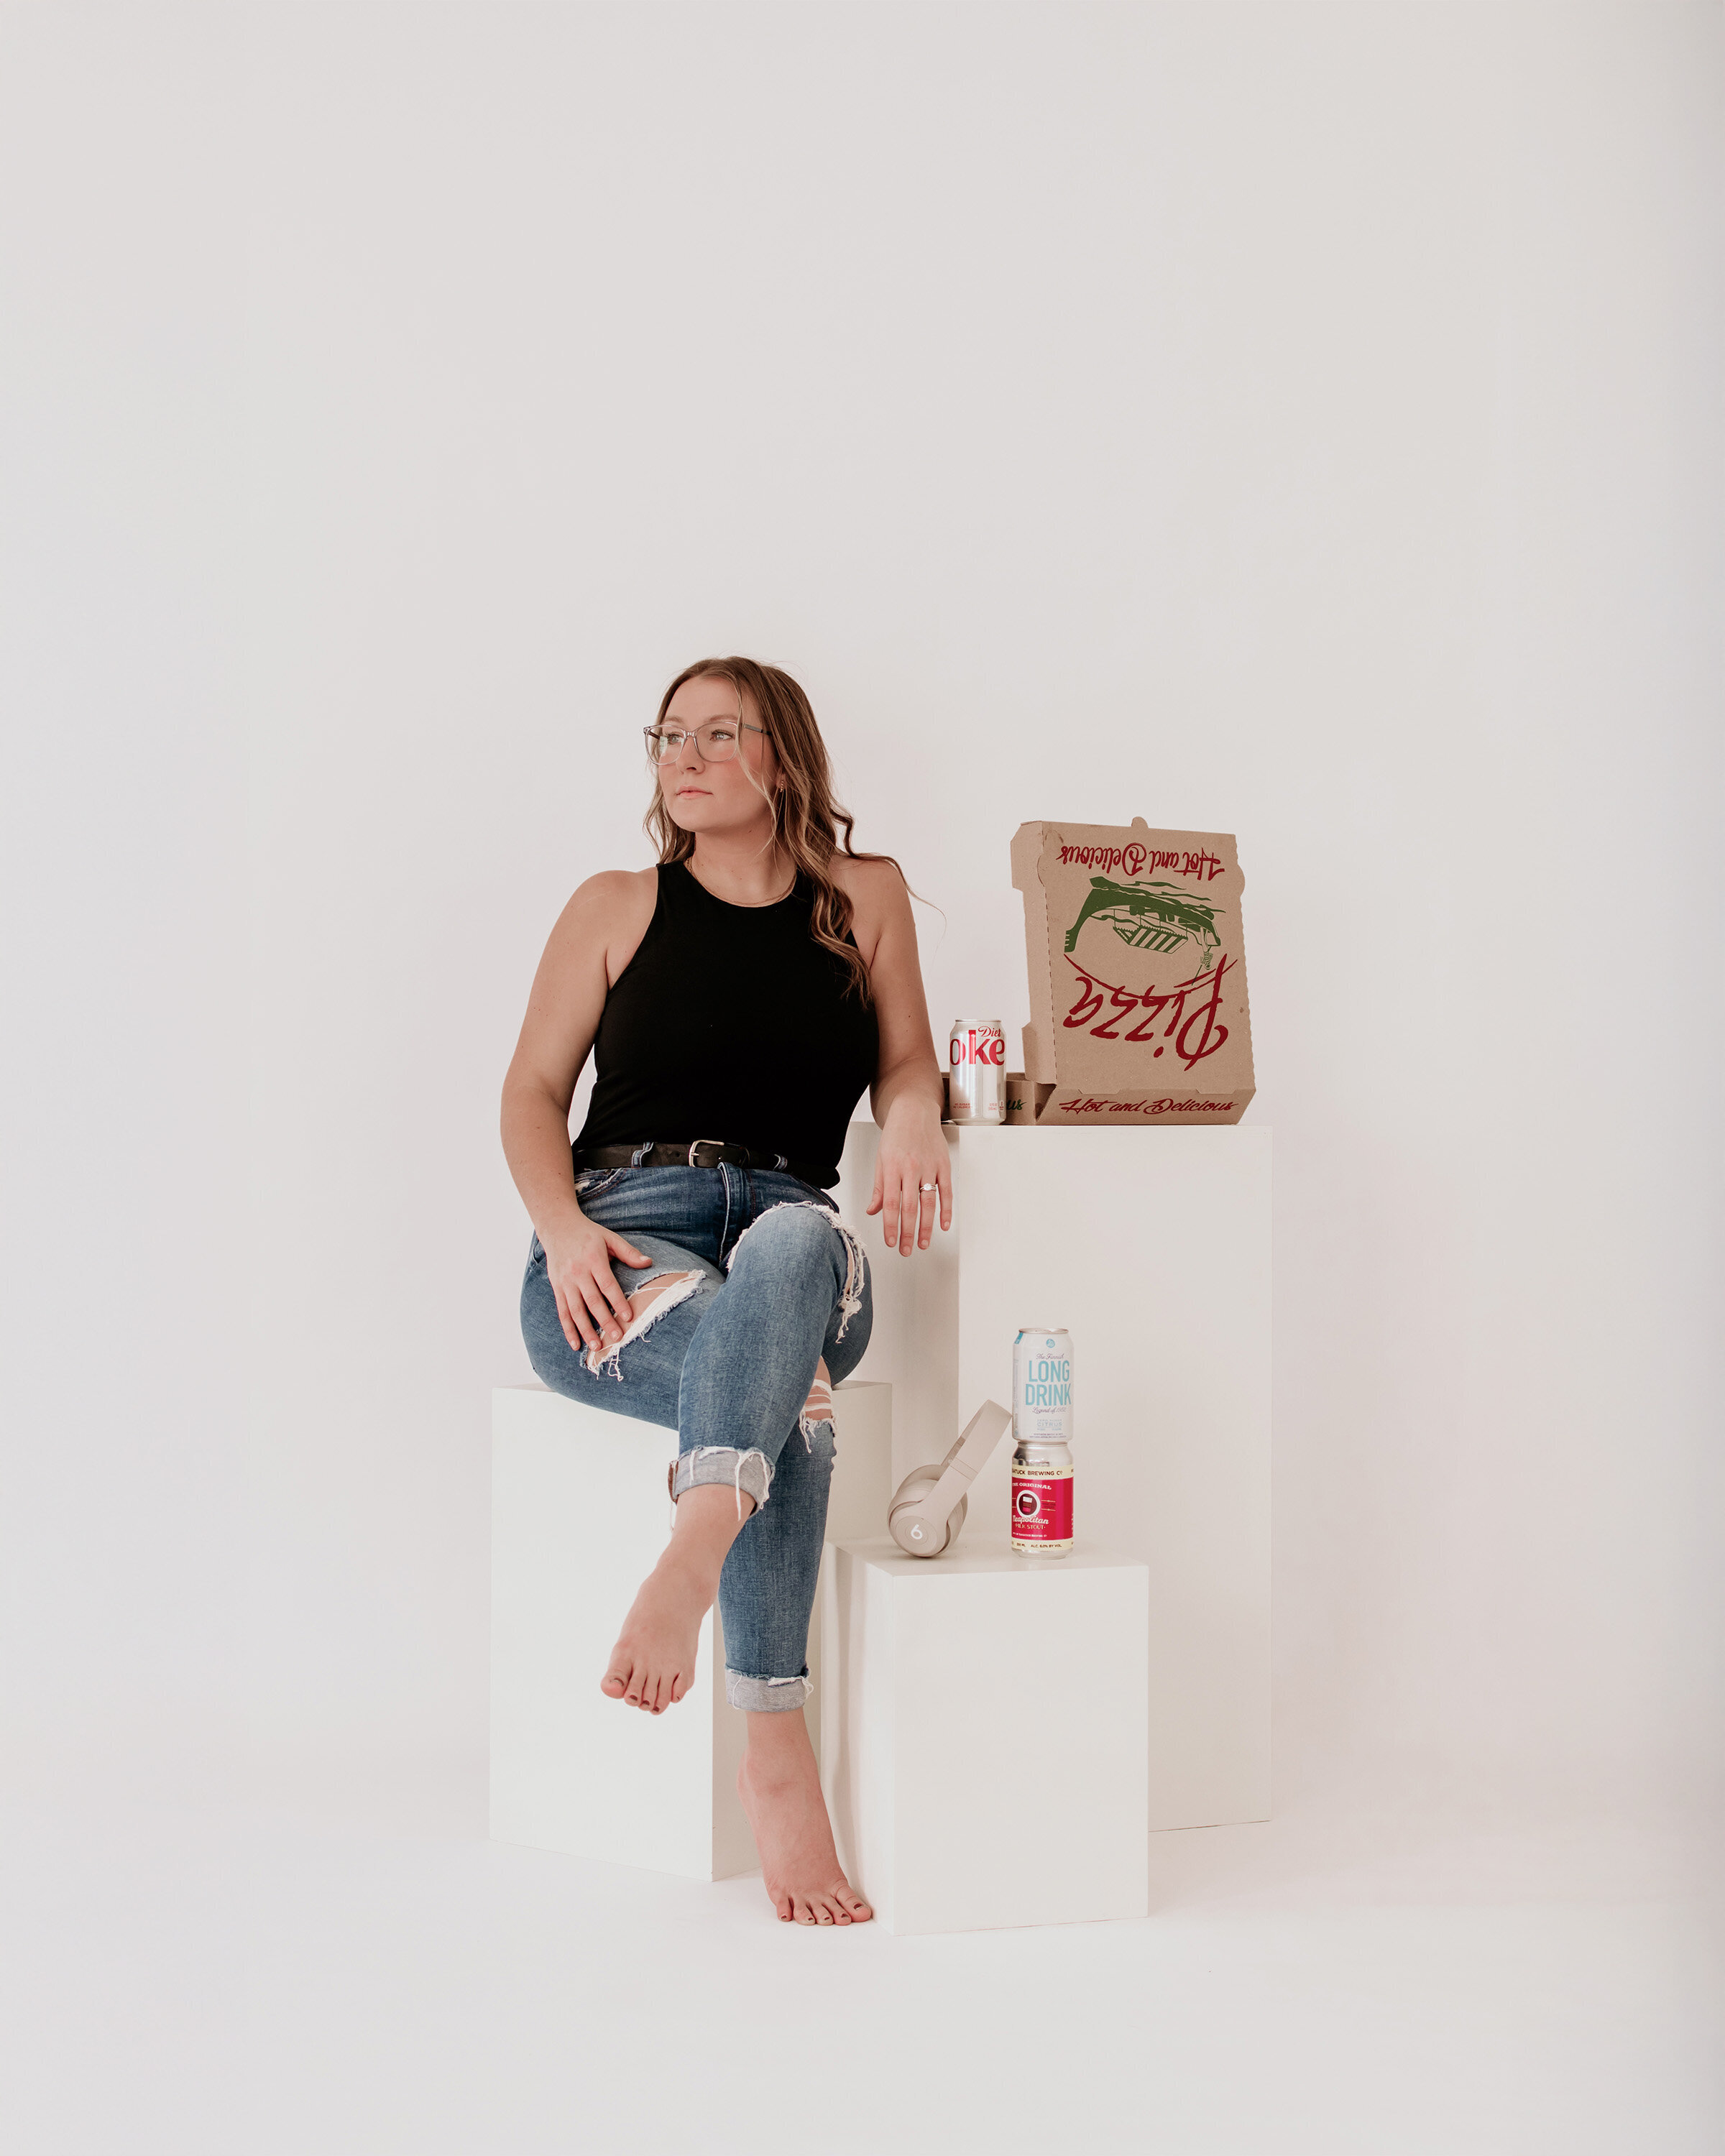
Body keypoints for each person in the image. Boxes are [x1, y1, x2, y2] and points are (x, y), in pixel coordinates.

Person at [500, 656, 950, 1926]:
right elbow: (530, 1093)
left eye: (716, 734)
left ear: (782, 756)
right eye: (668, 737)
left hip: (791, 1241)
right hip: (623, 1245)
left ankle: (690, 1556)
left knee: (796, 1247)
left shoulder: (862, 898)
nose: (683, 759)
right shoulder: (616, 904)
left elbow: (907, 1060)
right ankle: (774, 1746)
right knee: (790, 1395)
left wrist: (915, 1118)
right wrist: (564, 1233)